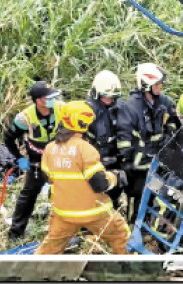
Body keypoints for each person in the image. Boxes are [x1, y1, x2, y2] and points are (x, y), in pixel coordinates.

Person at [35, 101, 130, 254]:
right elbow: (100, 184)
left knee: (49, 249)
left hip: (63, 214)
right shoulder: (85, 149)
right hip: (94, 212)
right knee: (121, 236)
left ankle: (33, 272)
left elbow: (48, 178)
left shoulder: (50, 148)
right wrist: (116, 177)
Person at [116, 62, 182, 223]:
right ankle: (133, 227)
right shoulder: (130, 108)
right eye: (157, 84)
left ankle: (152, 227)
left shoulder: (163, 102)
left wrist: (169, 135)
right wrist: (143, 160)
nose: (160, 88)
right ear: (146, 85)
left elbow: (174, 121)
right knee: (137, 196)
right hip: (138, 166)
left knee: (160, 195)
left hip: (159, 160)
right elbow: (124, 145)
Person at [3, 81, 63, 241]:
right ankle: (15, 234)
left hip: (60, 159)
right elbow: (9, 139)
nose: (52, 100)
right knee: (28, 195)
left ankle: (68, 229)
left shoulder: (61, 109)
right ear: (39, 100)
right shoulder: (25, 118)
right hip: (38, 162)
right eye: (48, 97)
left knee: (67, 192)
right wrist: (19, 158)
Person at [84, 70, 125, 207]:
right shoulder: (86, 112)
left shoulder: (120, 107)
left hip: (115, 159)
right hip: (94, 161)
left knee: (115, 191)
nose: (109, 100)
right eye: (105, 97)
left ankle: (114, 206)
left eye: (112, 97)